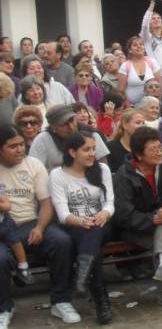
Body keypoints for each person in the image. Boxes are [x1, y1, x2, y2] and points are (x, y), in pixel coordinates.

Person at [0, 124, 80, 325]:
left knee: (62, 241)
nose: (20, 150)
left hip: (30, 223)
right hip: (2, 229)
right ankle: (4, 308)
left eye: (21, 145)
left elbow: (46, 203)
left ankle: (61, 301)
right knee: (0, 257)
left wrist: (40, 228)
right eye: (12, 146)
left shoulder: (33, 165)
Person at [111, 126, 162, 309]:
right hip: (131, 228)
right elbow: (123, 217)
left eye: (160, 147)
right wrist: (153, 219)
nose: (159, 153)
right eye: (153, 150)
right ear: (138, 155)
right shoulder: (124, 175)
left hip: (160, 221)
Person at [49, 132, 114, 324]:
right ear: (72, 152)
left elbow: (109, 201)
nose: (92, 153)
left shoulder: (102, 169)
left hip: (103, 224)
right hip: (74, 226)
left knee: (93, 231)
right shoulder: (58, 175)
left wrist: (105, 213)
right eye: (86, 150)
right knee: (90, 234)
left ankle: (84, 276)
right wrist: (81, 221)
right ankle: (101, 301)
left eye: (93, 148)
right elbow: (62, 214)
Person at [29, 104, 110, 170]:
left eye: (72, 120)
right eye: (64, 124)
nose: (71, 127)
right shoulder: (42, 140)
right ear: (53, 128)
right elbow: (35, 172)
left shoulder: (91, 133)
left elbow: (103, 166)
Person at [118, 36, 162, 106]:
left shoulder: (153, 62)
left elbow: (160, 85)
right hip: (132, 106)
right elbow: (121, 90)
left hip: (151, 106)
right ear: (130, 50)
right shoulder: (125, 65)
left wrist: (157, 103)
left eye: (141, 44)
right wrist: (128, 107)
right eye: (135, 45)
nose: (139, 46)